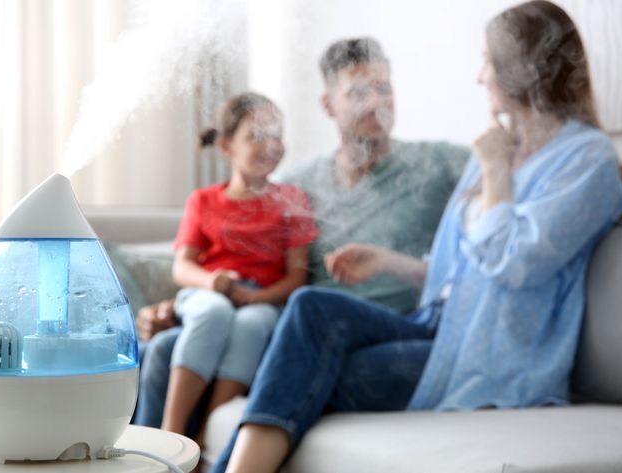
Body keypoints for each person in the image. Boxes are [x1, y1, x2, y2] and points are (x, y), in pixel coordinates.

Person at [212, 2, 622, 471]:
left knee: (301, 370)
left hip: (491, 361)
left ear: (523, 68)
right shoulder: (501, 149)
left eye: (487, 62)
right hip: (438, 327)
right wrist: (390, 262)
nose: (479, 76)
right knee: (310, 309)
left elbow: (513, 263)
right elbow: (463, 275)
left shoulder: (585, 159)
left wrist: (495, 172)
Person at [133, 37, 471, 431]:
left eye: (384, 88)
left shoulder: (439, 165)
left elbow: (514, 175)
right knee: (160, 350)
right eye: (359, 92)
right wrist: (176, 308)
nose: (376, 101)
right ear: (328, 105)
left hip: (385, 330)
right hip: (289, 327)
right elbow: (245, 261)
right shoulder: (296, 187)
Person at [159, 92, 318, 444]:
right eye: (257, 135)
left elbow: (296, 277)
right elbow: (182, 268)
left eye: (277, 134)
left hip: (262, 299)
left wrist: (254, 296)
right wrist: (212, 281)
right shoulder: (203, 200)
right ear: (228, 146)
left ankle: (204, 436)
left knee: (254, 322)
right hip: (208, 294)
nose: (271, 145)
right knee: (213, 312)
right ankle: (171, 433)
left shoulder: (293, 201)